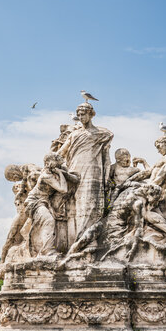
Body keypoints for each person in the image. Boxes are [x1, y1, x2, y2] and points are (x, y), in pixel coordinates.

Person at [57, 102, 113, 249]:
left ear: (91, 114)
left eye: (84, 114)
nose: (81, 117)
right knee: (74, 206)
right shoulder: (74, 135)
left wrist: (107, 176)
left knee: (90, 205)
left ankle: (86, 243)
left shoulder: (102, 134)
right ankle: (78, 242)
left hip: (93, 171)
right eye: (79, 115)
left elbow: (106, 156)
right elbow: (61, 154)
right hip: (74, 170)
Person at [24, 153, 79, 257]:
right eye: (56, 159)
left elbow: (76, 179)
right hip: (34, 202)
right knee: (48, 220)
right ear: (48, 163)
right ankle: (47, 251)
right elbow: (63, 189)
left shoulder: (58, 169)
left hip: (44, 202)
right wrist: (61, 174)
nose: (60, 160)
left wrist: (63, 173)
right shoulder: (46, 176)